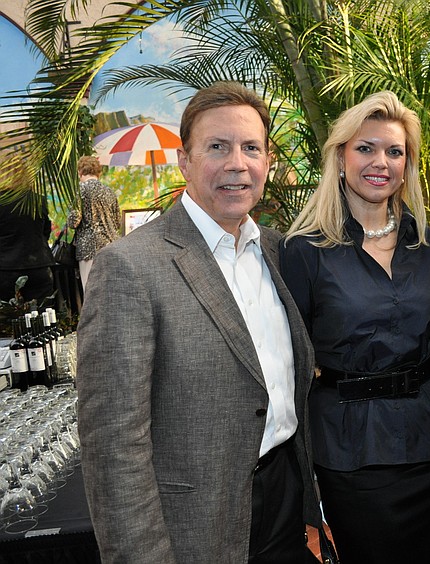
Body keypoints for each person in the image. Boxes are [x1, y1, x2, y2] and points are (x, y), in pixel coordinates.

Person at [76, 82, 321, 563]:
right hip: (195, 523)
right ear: (184, 162)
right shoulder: (130, 267)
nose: (237, 163)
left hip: (284, 499)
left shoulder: (277, 250)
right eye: (217, 147)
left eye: (251, 148)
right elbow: (113, 445)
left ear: (267, 162)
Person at [281, 91, 430, 564]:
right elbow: (290, 363)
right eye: (366, 148)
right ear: (340, 158)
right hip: (350, 450)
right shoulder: (305, 251)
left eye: (395, 151)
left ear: (408, 165)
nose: (381, 162)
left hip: (428, 444)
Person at [68, 155, 121, 290]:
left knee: (91, 291)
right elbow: (118, 223)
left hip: (89, 249)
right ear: (99, 172)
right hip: (112, 246)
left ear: (80, 172)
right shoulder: (109, 191)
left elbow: (74, 221)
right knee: (111, 290)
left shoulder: (80, 191)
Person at [0, 193, 55, 304]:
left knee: (7, 316)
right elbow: (45, 230)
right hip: (39, 264)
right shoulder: (38, 200)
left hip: (6, 267)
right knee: (42, 314)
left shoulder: (2, 201)